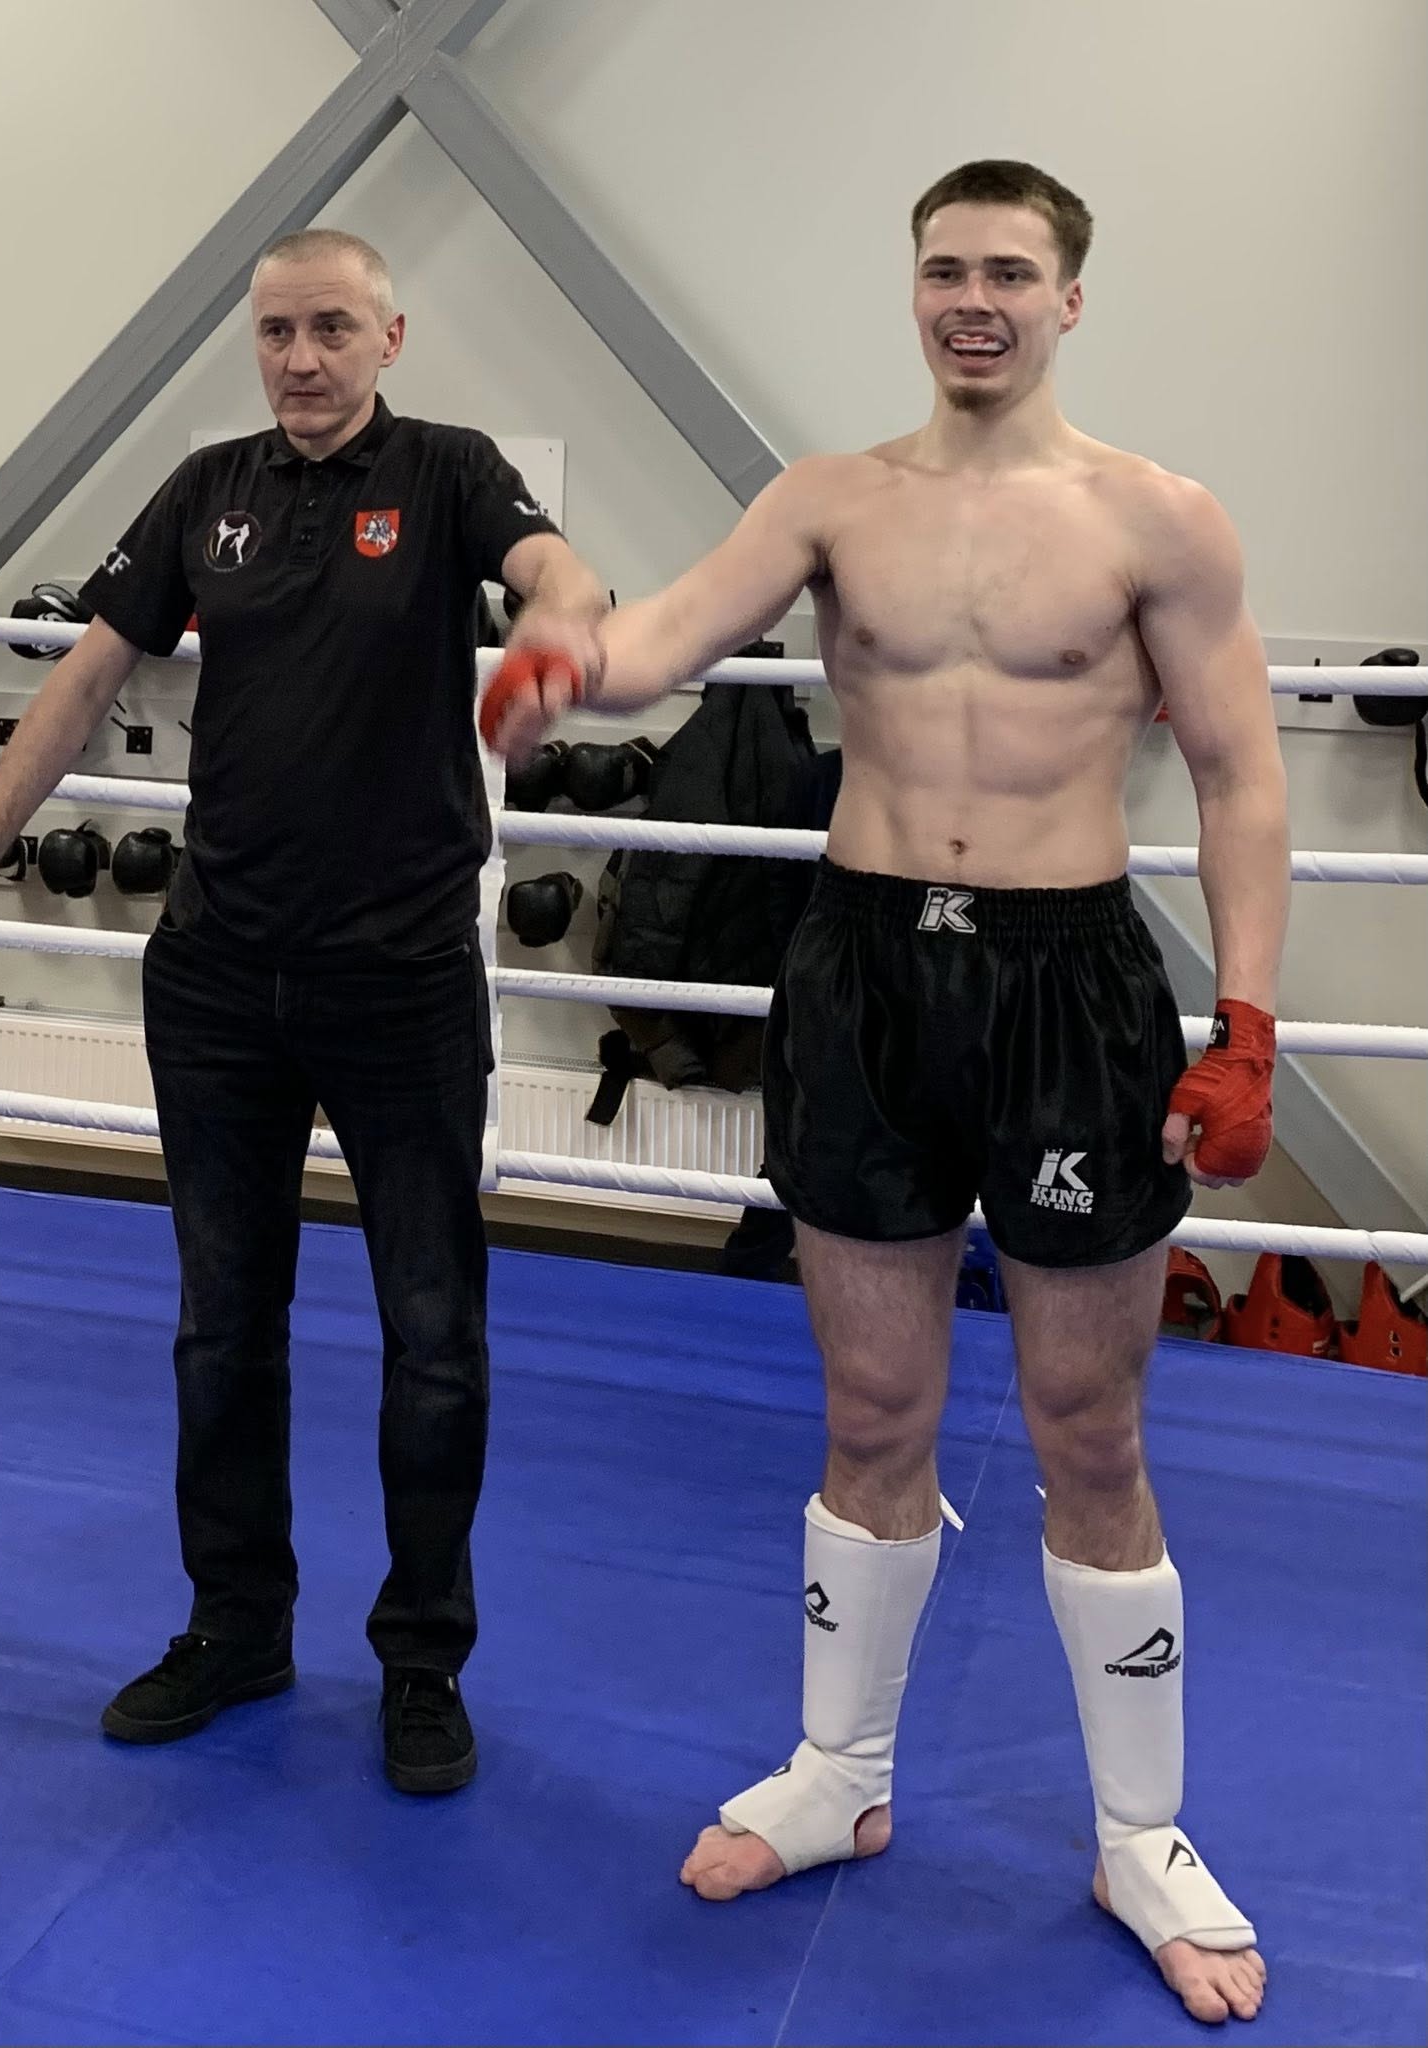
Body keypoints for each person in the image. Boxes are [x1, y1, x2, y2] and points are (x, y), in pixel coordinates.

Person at [481, 160, 1284, 2022]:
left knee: (1086, 1424)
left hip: (1066, 983)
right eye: (942, 269)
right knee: (868, 1403)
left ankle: (1140, 1836)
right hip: (861, 970)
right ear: (910, 289)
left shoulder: (1155, 520)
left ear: (1068, 297)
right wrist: (564, 667)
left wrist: (1245, 1025)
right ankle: (837, 1776)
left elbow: (1239, 774)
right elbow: (664, 639)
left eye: (1007, 271)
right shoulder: (829, 498)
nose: (970, 300)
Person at [0, 227, 605, 1790]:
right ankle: (236, 1625)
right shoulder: (205, 486)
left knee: (433, 1331)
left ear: (387, 338)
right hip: (218, 974)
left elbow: (552, 567)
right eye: (276, 330)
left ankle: (421, 1658)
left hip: (401, 978)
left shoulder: (445, 471)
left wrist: (559, 620)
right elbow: (87, 677)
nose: (300, 357)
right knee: (223, 1324)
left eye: (331, 327)